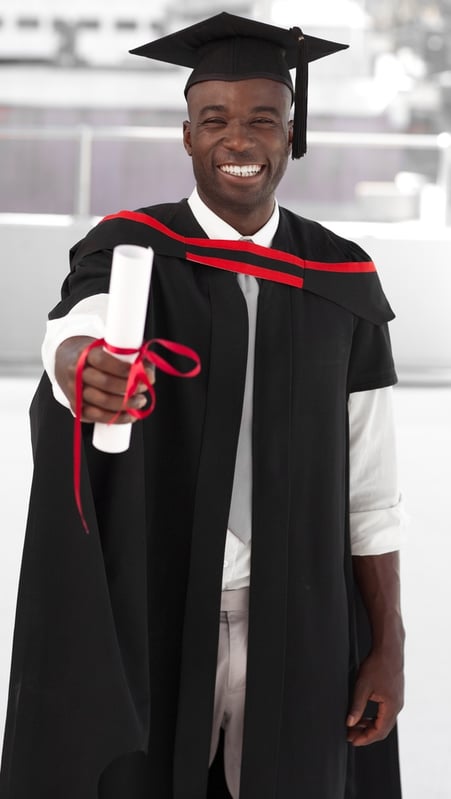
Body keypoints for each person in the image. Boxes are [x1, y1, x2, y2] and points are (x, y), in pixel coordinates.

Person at [0, 12, 405, 799]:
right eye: (214, 119)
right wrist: (81, 364)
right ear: (186, 135)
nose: (239, 139)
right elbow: (73, 327)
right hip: (156, 608)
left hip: (300, 618)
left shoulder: (343, 277)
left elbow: (372, 489)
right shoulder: (129, 249)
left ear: (292, 133)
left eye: (263, 118)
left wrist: (385, 640)